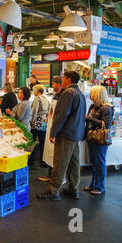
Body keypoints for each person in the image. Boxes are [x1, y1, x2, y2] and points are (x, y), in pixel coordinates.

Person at [36, 71, 86, 201]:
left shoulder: (68, 93)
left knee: (60, 163)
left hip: (66, 134)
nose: (62, 80)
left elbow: (61, 115)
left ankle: (53, 191)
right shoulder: (80, 93)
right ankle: (73, 189)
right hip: (76, 134)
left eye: (63, 78)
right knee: (74, 163)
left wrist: (53, 132)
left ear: (68, 79)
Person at [84, 85, 114, 196]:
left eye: (92, 93)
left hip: (100, 139)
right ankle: (94, 184)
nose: (90, 95)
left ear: (97, 95)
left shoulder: (106, 108)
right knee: (94, 162)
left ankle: (100, 186)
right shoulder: (92, 106)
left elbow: (106, 124)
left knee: (100, 163)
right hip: (91, 137)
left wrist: (90, 118)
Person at [39, 76, 64, 181]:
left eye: (54, 84)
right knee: (48, 153)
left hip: (56, 127)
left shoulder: (64, 95)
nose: (52, 86)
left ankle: (57, 177)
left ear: (59, 84)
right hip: (50, 125)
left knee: (55, 154)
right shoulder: (55, 95)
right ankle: (50, 174)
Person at [29, 84, 50, 166]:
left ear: (37, 91)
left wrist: (32, 121)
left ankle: (31, 160)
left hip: (36, 122)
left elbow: (34, 111)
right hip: (44, 122)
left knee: (32, 141)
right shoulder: (45, 99)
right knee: (42, 142)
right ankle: (43, 161)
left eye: (34, 90)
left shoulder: (37, 99)